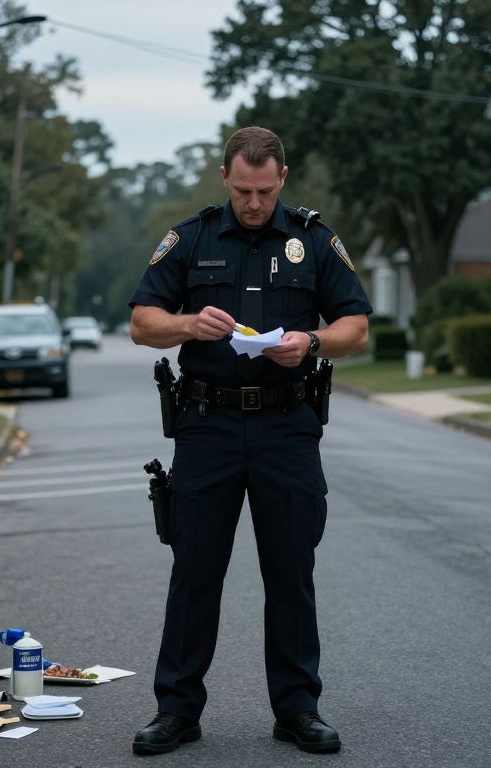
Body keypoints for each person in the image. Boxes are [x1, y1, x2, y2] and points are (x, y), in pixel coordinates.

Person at [128, 126, 371, 756]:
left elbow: (356, 325)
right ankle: (177, 711)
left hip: (286, 427)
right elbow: (141, 323)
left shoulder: (315, 240)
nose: (255, 203)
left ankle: (297, 709)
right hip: (207, 425)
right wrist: (187, 322)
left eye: (265, 191)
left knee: (291, 573)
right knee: (195, 571)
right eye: (243, 190)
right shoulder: (193, 237)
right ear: (224, 177)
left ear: (282, 178)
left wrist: (311, 341)